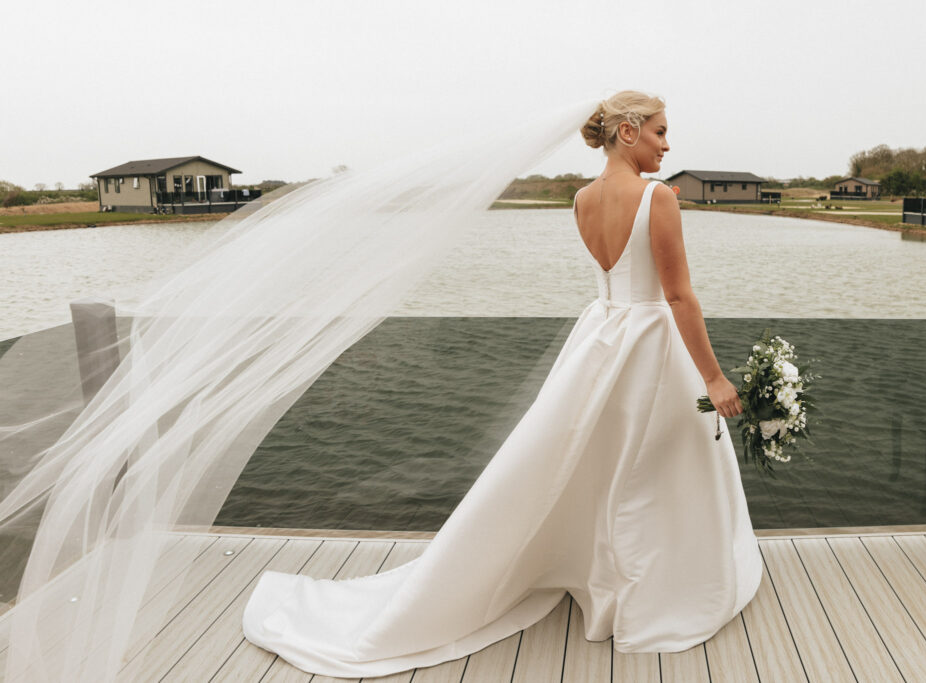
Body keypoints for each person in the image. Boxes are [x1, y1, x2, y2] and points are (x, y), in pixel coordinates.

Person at [242, 90, 763, 678]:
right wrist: (714, 377)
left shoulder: (581, 200)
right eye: (660, 132)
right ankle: (653, 589)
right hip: (650, 343)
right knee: (654, 464)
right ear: (626, 133)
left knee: (600, 462)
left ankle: (611, 576)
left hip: (601, 338)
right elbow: (676, 296)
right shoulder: (657, 199)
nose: (668, 144)